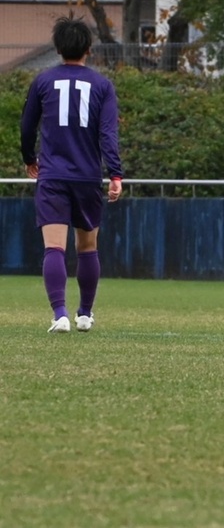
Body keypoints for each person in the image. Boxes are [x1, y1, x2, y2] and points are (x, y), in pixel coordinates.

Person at [20, 16, 124, 333]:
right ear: (89, 49)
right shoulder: (102, 86)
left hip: (52, 176)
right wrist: (116, 173)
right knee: (87, 247)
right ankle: (84, 314)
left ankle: (60, 314)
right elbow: (108, 134)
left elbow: (26, 125)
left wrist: (29, 158)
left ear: (57, 47)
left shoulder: (42, 81)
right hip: (87, 177)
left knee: (54, 248)